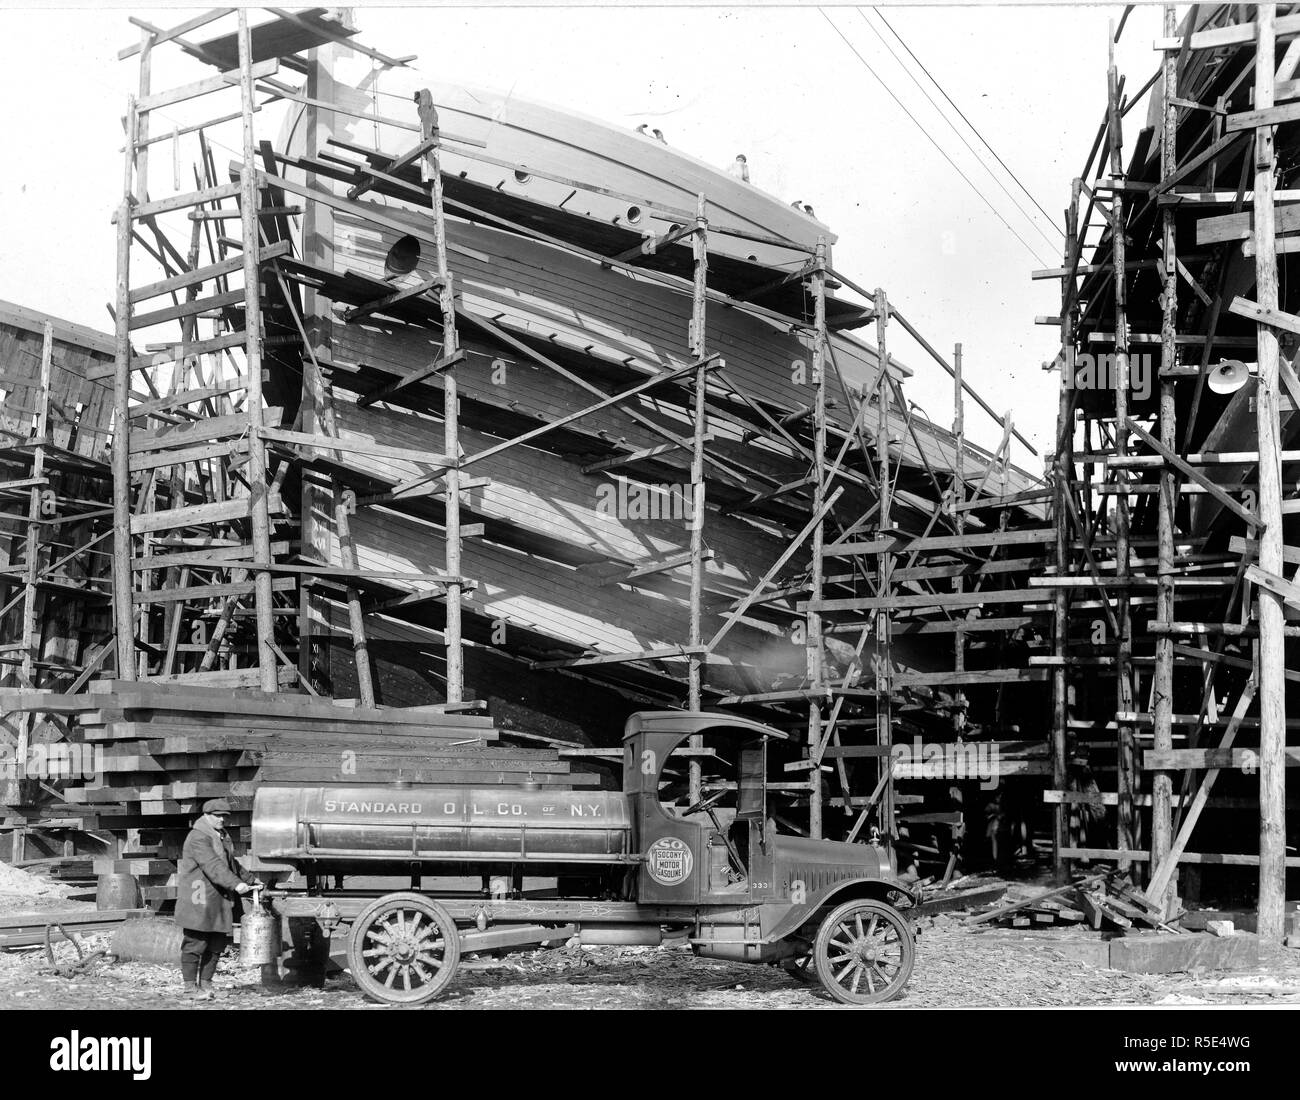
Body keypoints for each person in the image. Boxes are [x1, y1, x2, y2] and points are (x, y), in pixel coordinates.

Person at [174, 798, 259, 999]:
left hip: (218, 898)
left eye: (225, 816)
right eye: (218, 815)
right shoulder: (198, 837)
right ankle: (189, 989)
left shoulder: (220, 835)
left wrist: (252, 879)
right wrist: (236, 884)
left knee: (216, 945)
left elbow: (231, 864)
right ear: (206, 815)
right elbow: (213, 865)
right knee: (195, 943)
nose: (222, 819)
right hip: (200, 898)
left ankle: (206, 985)